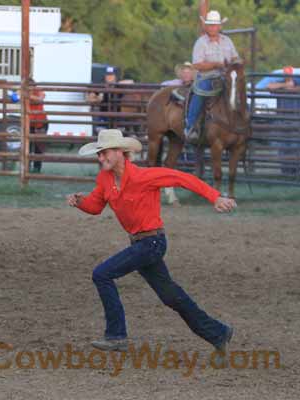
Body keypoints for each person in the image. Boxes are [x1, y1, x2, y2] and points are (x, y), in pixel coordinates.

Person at [67, 129, 237, 351]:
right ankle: (218, 332)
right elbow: (96, 206)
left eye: (104, 153)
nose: (101, 158)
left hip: (152, 243)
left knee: (102, 274)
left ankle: (116, 335)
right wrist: (80, 202)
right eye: (99, 154)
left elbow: (182, 178)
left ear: (120, 152)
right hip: (141, 245)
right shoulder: (105, 180)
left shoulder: (143, 176)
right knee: (170, 296)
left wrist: (215, 197)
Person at [185, 10, 240, 141]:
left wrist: (237, 63)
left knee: (240, 91)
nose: (212, 27)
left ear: (220, 26)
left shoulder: (227, 41)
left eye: (215, 25)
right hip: (206, 77)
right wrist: (217, 64)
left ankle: (242, 122)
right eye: (210, 25)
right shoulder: (201, 42)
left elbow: (235, 58)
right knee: (199, 94)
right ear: (206, 26)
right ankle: (190, 126)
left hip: (226, 77)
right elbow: (197, 64)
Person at [267, 66, 300, 175]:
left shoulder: (299, 82)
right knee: (283, 146)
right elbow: (269, 86)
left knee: (294, 145)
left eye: (289, 74)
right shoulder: (280, 83)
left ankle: (295, 170)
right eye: (285, 74)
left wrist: (293, 89)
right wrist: (284, 86)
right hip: (282, 119)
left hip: (295, 119)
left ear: (292, 74)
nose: (287, 76)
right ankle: (285, 170)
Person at [87, 66, 119, 135]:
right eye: (108, 75)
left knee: (119, 132)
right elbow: (89, 99)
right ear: (105, 76)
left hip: (117, 117)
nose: (109, 78)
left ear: (115, 76)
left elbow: (130, 82)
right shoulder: (101, 87)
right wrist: (97, 99)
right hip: (104, 116)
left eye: (111, 75)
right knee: (101, 131)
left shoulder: (119, 87)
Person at [27, 78, 48, 173]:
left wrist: (28, 95)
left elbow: (41, 98)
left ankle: (37, 168)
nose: (30, 88)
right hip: (29, 122)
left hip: (41, 122)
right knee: (28, 147)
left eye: (31, 86)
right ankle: (27, 168)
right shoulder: (23, 93)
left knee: (38, 147)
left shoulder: (38, 90)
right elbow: (14, 97)